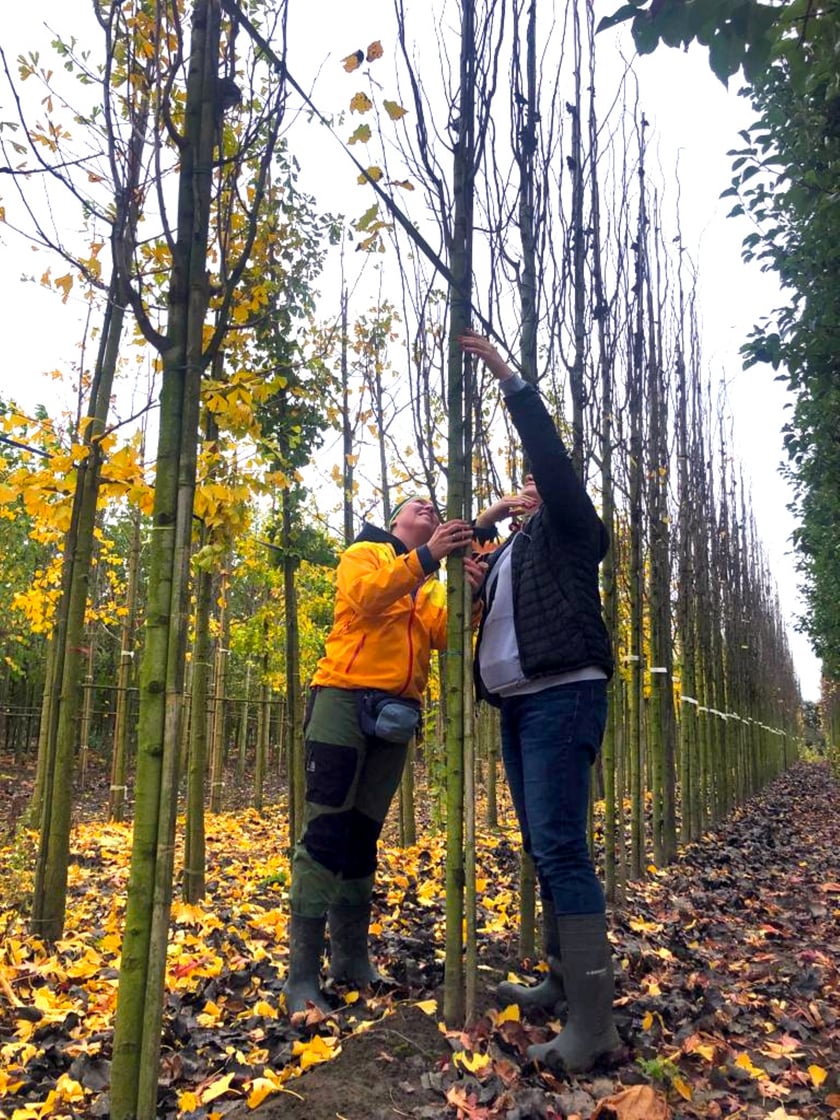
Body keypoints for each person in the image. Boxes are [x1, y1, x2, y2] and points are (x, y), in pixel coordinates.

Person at [459, 331, 621, 1073]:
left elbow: (552, 464)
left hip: (564, 696)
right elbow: (499, 610)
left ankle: (594, 1025)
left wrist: (508, 377)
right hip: (521, 706)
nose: (527, 494)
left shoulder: (570, 528)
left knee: (561, 846)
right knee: (541, 845)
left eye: (535, 490)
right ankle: (561, 982)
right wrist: (480, 585)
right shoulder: (517, 553)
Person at [283, 495, 484, 1015]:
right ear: (396, 520)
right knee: (326, 831)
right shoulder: (366, 553)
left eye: (437, 510)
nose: (431, 512)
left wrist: (472, 600)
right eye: (419, 505)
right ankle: (301, 976)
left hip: (396, 714)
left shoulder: (431, 585)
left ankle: (351, 961)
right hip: (343, 700)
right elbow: (367, 598)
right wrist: (427, 559)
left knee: (363, 835)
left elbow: (444, 635)